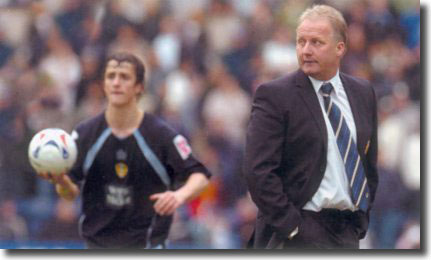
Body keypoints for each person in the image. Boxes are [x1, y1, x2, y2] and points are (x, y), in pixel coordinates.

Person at [37, 52, 211, 249]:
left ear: (139, 87)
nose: (116, 83)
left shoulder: (160, 135)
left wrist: (178, 196)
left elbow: (200, 177)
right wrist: (60, 180)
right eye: (111, 76)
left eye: (124, 77)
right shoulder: (84, 134)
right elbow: (70, 193)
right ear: (104, 85)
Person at [244, 5, 378, 249]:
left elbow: (368, 163)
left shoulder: (363, 93)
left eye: (316, 42)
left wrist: (360, 219)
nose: (306, 50)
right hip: (296, 233)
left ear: (340, 48)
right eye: (301, 41)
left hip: (347, 232)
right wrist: (292, 226)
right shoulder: (274, 95)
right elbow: (258, 171)